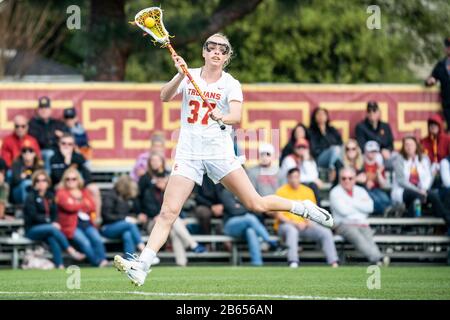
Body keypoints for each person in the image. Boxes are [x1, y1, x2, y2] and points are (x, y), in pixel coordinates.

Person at [113, 33, 332, 286]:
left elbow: (236, 116)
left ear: (227, 57)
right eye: (211, 47)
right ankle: (143, 265)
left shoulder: (231, 84)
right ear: (204, 53)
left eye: (222, 49)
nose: (216, 52)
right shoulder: (189, 75)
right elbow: (164, 96)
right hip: (188, 154)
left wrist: (222, 115)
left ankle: (302, 207)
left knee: (256, 204)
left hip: (219, 152)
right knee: (168, 212)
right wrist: (179, 75)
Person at [138, 171, 206, 267]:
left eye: (162, 179)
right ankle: (192, 244)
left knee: (174, 230)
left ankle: (181, 263)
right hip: (153, 223)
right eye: (158, 179)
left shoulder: (171, 191)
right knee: (172, 219)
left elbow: (176, 207)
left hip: (170, 223)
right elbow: (150, 210)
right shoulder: (149, 192)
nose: (161, 181)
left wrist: (182, 218)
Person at [275, 168, 339, 268]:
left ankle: (334, 262)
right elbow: (279, 215)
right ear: (288, 178)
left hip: (305, 225)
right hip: (287, 225)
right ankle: (293, 261)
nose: (294, 180)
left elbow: (312, 212)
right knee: (292, 231)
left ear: (300, 177)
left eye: (296, 177)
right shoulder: (281, 191)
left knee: (326, 232)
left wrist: (305, 222)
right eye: (291, 177)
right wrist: (295, 223)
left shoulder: (308, 191)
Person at [24, 170, 85, 268]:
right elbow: (33, 216)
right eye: (38, 181)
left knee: (52, 238)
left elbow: (55, 214)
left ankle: (60, 265)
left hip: (48, 229)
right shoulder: (30, 196)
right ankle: (70, 250)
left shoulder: (50, 196)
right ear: (34, 183)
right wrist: (49, 222)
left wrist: (53, 222)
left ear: (47, 183)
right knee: (53, 229)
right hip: (32, 229)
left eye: (44, 180)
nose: (41, 183)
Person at [330, 167, 389, 266]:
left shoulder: (360, 190)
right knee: (358, 239)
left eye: (350, 178)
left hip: (361, 223)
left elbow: (369, 207)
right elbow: (344, 211)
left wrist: (349, 203)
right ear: (340, 179)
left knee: (369, 241)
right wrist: (360, 206)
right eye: (344, 178)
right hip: (343, 224)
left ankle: (378, 261)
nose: (347, 181)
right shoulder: (335, 192)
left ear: (354, 179)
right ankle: (379, 258)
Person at [55, 168, 108, 267]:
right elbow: (69, 207)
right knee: (85, 242)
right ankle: (98, 263)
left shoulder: (84, 191)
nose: (71, 181)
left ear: (78, 180)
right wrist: (82, 204)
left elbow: (91, 205)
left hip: (86, 223)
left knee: (97, 239)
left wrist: (75, 202)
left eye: (73, 179)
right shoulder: (61, 192)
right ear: (64, 180)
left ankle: (103, 260)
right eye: (68, 179)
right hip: (71, 226)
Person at [391, 136, 450, 222]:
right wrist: (418, 191)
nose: (409, 147)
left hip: (421, 190)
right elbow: (401, 181)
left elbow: (428, 177)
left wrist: (424, 189)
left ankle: (446, 219)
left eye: (411, 144)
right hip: (403, 190)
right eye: (406, 144)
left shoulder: (424, 158)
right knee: (418, 196)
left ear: (416, 146)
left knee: (433, 195)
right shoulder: (399, 159)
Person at [219, 185, 277, 266]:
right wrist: (247, 208)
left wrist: (241, 208)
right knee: (249, 218)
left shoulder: (244, 193)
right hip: (230, 226)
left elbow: (254, 208)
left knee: (251, 231)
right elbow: (233, 211)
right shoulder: (226, 192)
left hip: (245, 227)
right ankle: (269, 241)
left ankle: (257, 264)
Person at [50, 133, 101, 217]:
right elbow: (57, 177)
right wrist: (66, 162)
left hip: (78, 185)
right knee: (59, 187)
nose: (66, 146)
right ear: (59, 144)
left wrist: (79, 184)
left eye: (70, 144)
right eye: (64, 143)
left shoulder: (78, 157)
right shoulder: (54, 158)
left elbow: (87, 176)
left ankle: (97, 218)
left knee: (94, 189)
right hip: (61, 185)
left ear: (73, 146)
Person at [101, 175, 146, 255]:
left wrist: (137, 216)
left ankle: (129, 261)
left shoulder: (126, 198)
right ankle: (144, 251)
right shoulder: (110, 195)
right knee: (130, 225)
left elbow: (129, 213)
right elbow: (107, 216)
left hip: (122, 227)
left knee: (127, 234)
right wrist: (125, 219)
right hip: (107, 228)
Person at [28, 96, 69, 172]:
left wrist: (62, 136)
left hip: (57, 151)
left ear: (50, 110)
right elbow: (39, 140)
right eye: (41, 108)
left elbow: (67, 137)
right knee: (48, 154)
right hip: (39, 152)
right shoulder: (32, 124)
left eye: (46, 108)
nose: (44, 110)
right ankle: (48, 180)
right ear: (38, 110)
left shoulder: (57, 123)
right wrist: (54, 137)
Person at [309, 107, 343, 181]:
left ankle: (335, 171)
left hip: (334, 155)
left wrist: (324, 134)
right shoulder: (311, 132)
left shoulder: (332, 130)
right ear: (314, 117)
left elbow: (340, 143)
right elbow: (314, 149)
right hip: (319, 158)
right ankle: (332, 169)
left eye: (323, 114)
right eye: (318, 114)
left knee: (338, 156)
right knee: (335, 150)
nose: (321, 116)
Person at [425, 38, 450, 129]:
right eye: (447, 47)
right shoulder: (441, 64)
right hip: (448, 103)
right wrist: (430, 81)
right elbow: (432, 78)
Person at [362, 141, 393, 216]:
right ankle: (386, 211)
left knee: (385, 199)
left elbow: (383, 185)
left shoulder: (379, 165)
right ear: (366, 152)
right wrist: (366, 182)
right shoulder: (361, 164)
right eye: (371, 151)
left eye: (375, 151)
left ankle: (389, 210)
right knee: (375, 199)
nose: (373, 153)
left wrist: (378, 173)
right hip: (364, 189)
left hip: (377, 188)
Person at [420, 114, 450, 180]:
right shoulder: (423, 141)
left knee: (444, 163)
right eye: (431, 125)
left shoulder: (447, 139)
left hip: (445, 167)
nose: (433, 127)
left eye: (435, 125)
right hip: (429, 168)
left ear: (440, 126)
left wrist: (441, 164)